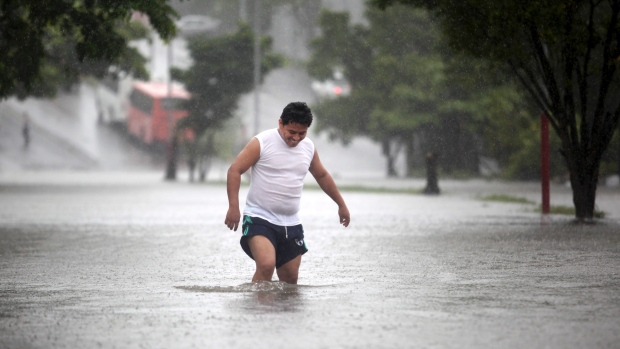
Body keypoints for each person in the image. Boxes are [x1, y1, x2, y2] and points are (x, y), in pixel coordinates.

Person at [225, 102, 350, 284]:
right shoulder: (262, 142)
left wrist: (341, 204)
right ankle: (255, 311)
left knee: (290, 278)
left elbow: (322, 175)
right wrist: (233, 207)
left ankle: (282, 312)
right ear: (280, 123)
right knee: (267, 265)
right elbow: (234, 171)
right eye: (291, 132)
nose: (296, 138)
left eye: (302, 133)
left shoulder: (308, 147)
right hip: (259, 217)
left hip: (291, 222)